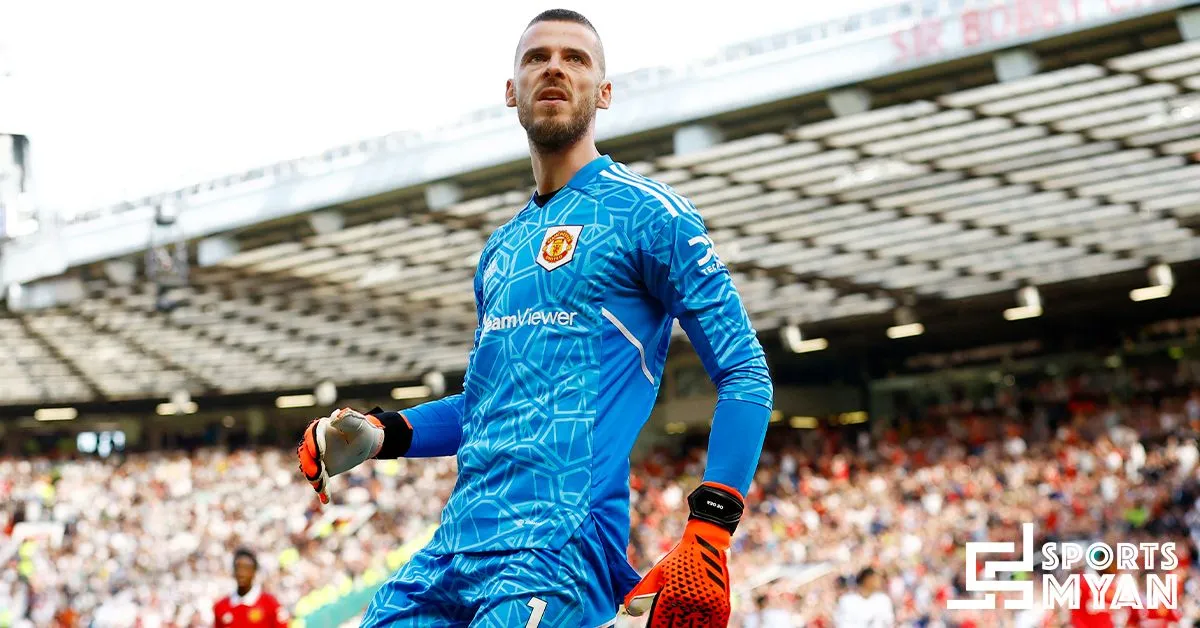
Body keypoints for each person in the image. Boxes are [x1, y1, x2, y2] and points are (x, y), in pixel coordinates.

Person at [296, 7, 773, 627]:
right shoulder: (500, 249)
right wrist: (385, 433)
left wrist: (711, 528)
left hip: (558, 551)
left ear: (604, 92)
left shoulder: (651, 215)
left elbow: (745, 373)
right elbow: (487, 405)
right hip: (454, 549)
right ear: (510, 90)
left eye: (575, 58)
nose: (554, 67)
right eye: (536, 57)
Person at [211, 549, 288, 628]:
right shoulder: (221, 606)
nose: (241, 573)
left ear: (254, 572)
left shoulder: (270, 603)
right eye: (238, 568)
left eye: (246, 568)